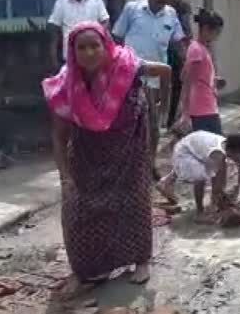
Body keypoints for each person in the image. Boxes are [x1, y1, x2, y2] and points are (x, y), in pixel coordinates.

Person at [42, 22, 171, 290]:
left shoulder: (128, 68)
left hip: (129, 148)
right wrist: (65, 177)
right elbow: (58, 136)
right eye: (82, 47)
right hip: (87, 153)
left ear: (106, 46)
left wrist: (162, 107)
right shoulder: (65, 85)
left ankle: (141, 260)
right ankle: (86, 270)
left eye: (95, 46)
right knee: (78, 211)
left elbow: (165, 71)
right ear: (72, 51)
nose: (89, 52)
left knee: (133, 203)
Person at [112, 0, 185, 175]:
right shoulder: (132, 9)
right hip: (130, 77)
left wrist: (186, 64)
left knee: (153, 125)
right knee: (129, 123)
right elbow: (117, 38)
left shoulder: (171, 14)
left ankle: (149, 164)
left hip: (156, 79)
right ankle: (127, 163)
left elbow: (177, 43)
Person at [158, 132, 240, 222]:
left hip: (192, 146)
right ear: (234, 150)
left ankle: (165, 183)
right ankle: (199, 213)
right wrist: (223, 197)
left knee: (219, 171)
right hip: (183, 153)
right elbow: (211, 178)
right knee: (201, 176)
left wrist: (237, 187)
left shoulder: (227, 147)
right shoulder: (217, 154)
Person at [175, 8, 225, 135]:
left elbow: (190, 75)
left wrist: (213, 81)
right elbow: (187, 80)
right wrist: (185, 113)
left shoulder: (202, 49)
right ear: (206, 29)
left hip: (207, 105)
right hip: (202, 109)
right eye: (216, 32)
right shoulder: (197, 50)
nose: (217, 36)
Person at [47, 0, 110, 66]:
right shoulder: (61, 3)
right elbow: (54, 30)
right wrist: (54, 58)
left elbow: (105, 21)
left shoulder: (96, 1)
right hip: (71, 56)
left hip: (95, 54)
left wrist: (97, 33)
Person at [164, 0, 193, 128]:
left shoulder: (158, 1)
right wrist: (188, 48)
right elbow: (186, 29)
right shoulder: (180, 5)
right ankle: (170, 120)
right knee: (177, 84)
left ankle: (162, 118)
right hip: (175, 49)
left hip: (159, 48)